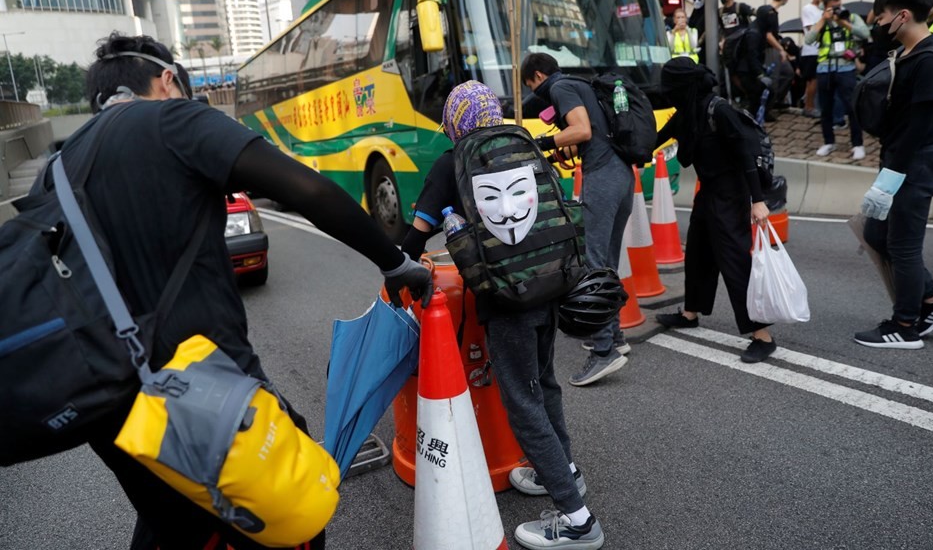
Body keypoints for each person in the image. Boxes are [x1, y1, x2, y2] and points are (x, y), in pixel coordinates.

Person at [65, 33, 433, 550]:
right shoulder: (174, 121)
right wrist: (394, 262)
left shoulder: (61, 167)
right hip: (208, 386)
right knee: (292, 510)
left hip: (108, 405)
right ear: (169, 80)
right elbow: (305, 187)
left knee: (175, 523)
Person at [399, 81, 605, 549]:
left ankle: (577, 520)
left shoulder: (452, 161)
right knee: (545, 382)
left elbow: (414, 242)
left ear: (454, 120)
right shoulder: (523, 145)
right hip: (552, 282)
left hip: (506, 298)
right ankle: (564, 469)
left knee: (521, 402)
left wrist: (401, 266)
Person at [854, 0, 933, 349]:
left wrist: (891, 178)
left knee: (903, 245)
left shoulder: (930, 58)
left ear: (901, 16)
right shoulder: (910, 54)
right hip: (905, 160)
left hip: (918, 162)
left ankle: (905, 325)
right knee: (876, 235)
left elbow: (920, 125)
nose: (878, 26)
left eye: (880, 18)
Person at [520, 52, 633, 387]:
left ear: (538, 76)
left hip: (602, 180)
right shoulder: (580, 84)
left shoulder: (560, 88)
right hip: (622, 175)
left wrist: (542, 142)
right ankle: (615, 336)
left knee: (593, 263)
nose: (534, 92)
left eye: (531, 86)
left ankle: (602, 353)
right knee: (607, 260)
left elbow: (581, 130)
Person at [653, 58, 776, 363]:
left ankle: (762, 334)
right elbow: (653, 141)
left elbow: (746, 154)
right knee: (697, 254)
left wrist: (757, 201)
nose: (667, 95)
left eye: (671, 89)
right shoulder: (688, 112)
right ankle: (689, 313)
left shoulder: (718, 110)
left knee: (734, 261)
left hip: (732, 194)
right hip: (709, 192)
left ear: (683, 88)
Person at [804, 0, 870, 160]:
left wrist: (844, 23)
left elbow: (865, 33)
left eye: (839, 5)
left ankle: (857, 144)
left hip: (846, 68)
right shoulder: (821, 21)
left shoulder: (851, 17)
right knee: (826, 108)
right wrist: (822, 21)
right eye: (834, 7)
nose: (838, 9)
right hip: (825, 68)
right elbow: (808, 40)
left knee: (852, 107)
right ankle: (828, 142)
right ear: (825, 7)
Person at [733, 7, 778, 118]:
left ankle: (760, 116)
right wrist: (760, 75)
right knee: (756, 96)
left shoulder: (759, 29)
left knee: (764, 93)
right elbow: (751, 56)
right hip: (746, 72)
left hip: (751, 70)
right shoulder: (753, 33)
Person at [800, 0, 826, 117]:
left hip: (822, 50)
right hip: (811, 50)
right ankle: (809, 107)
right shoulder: (808, 8)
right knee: (812, 80)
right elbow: (811, 30)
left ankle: (810, 104)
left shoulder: (824, 8)